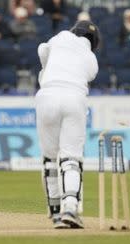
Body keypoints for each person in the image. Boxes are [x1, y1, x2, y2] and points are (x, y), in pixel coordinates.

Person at [35, 20, 99, 229]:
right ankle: (69, 208)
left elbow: (41, 49)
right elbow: (89, 75)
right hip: (74, 97)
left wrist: (47, 68)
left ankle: (54, 211)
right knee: (71, 157)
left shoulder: (60, 37)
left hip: (46, 95)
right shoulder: (91, 57)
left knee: (49, 158)